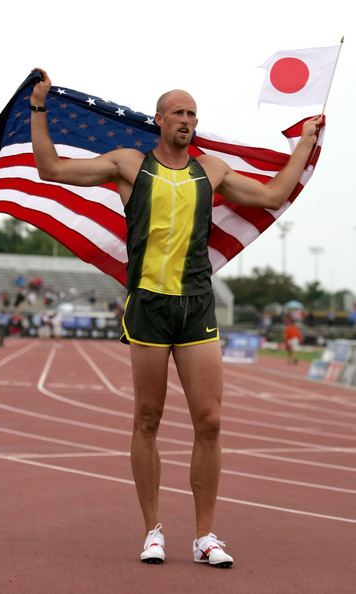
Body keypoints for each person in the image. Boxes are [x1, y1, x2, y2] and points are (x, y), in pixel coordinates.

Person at [30, 68, 321, 568]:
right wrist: (38, 109)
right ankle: (153, 530)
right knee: (147, 418)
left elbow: (273, 196)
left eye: (193, 114)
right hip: (148, 305)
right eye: (179, 113)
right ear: (160, 119)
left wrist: (305, 145)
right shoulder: (128, 165)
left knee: (209, 420)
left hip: (195, 305)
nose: (187, 120)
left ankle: (205, 535)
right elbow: (51, 169)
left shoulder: (212, 172)